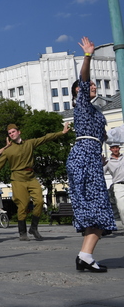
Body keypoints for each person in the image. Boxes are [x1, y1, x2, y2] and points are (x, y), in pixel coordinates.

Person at [66, 36, 116, 273]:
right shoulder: (83, 104)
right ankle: (85, 256)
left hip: (91, 157)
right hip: (84, 157)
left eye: (95, 85)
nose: (92, 86)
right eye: (87, 86)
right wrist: (88, 56)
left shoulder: (97, 112)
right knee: (97, 207)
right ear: (78, 92)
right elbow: (84, 80)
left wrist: (101, 155)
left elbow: (106, 137)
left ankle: (85, 255)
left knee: (95, 207)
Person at [0, 121, 70, 241]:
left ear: (19, 132)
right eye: (9, 133)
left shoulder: (30, 143)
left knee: (39, 201)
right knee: (22, 205)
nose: (12, 134)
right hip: (17, 178)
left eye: (13, 132)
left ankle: (33, 228)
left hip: (31, 176)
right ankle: (22, 232)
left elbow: (45, 138)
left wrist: (62, 132)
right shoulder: (8, 150)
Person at [103, 143, 124, 227]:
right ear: (110, 149)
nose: (115, 149)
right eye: (113, 148)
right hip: (118, 185)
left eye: (117, 148)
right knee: (122, 208)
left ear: (119, 148)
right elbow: (101, 173)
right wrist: (102, 164)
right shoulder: (108, 161)